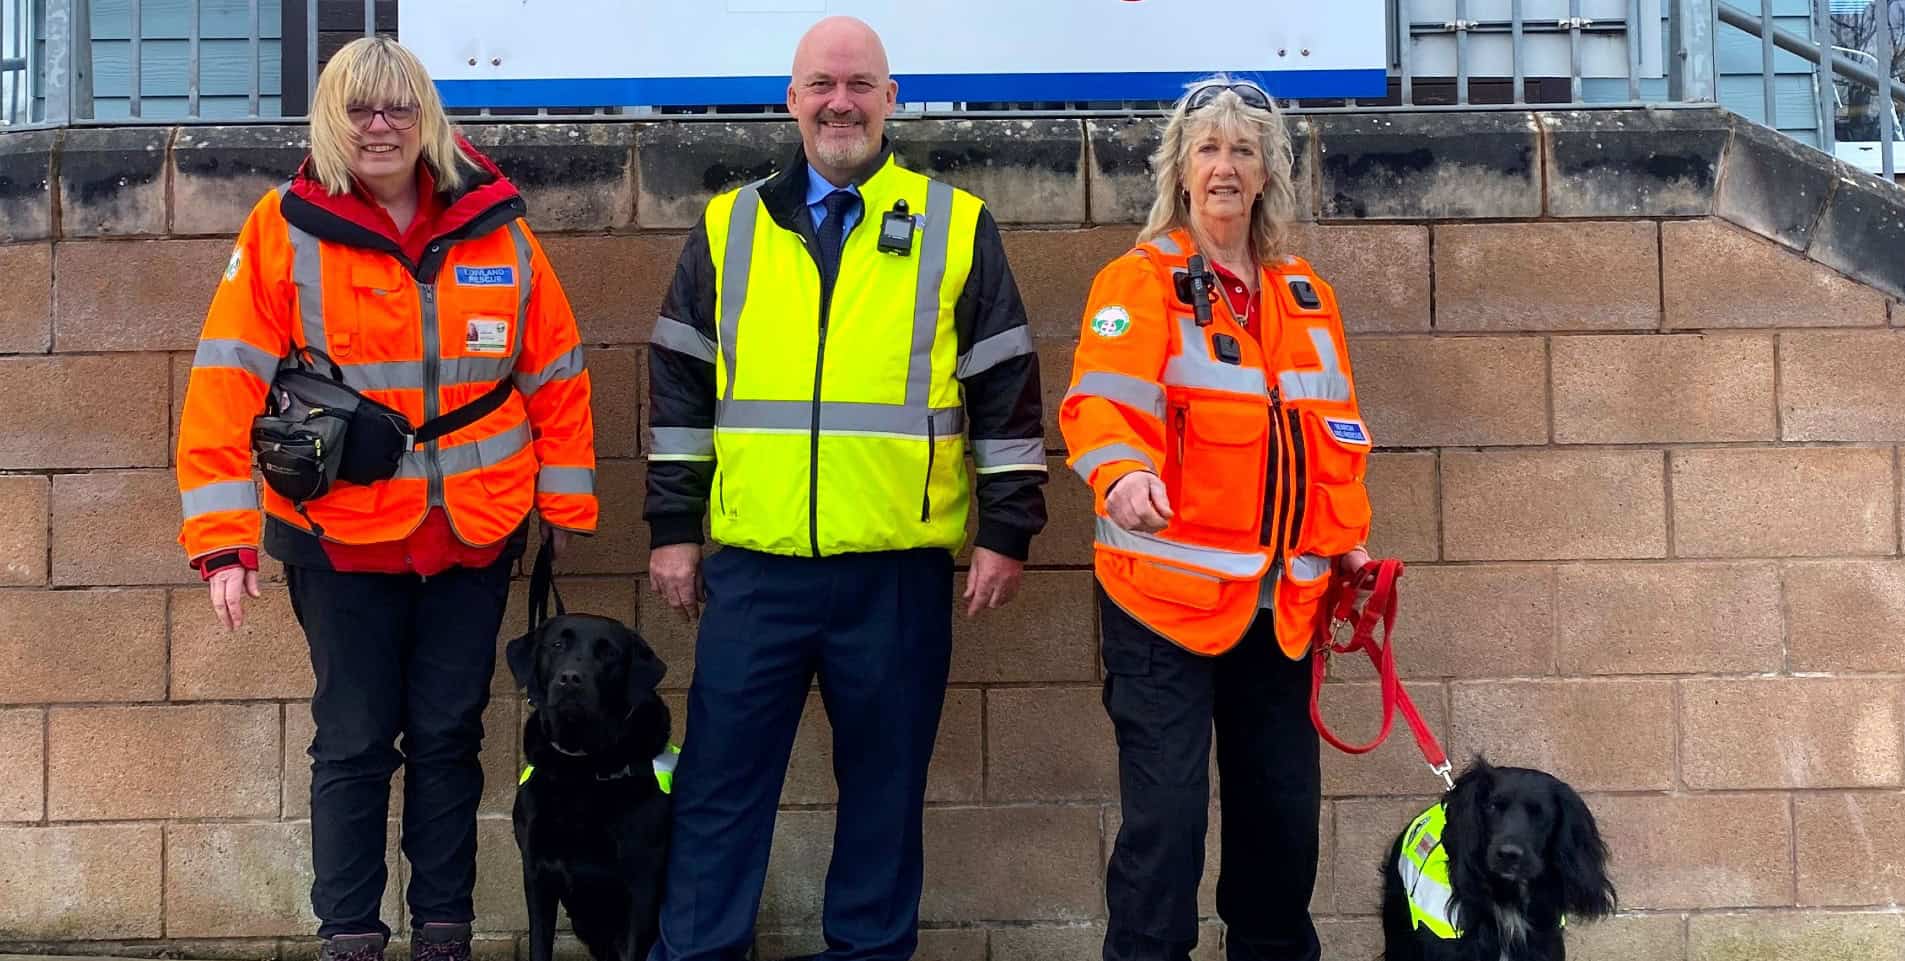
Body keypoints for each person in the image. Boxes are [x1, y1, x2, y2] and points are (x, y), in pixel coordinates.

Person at [174, 36, 597, 961]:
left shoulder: (498, 228)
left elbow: (555, 370)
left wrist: (565, 511)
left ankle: (444, 935)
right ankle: (352, 937)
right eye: (359, 108)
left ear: (427, 118)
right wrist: (222, 541)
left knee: (450, 737)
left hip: (474, 535)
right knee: (356, 741)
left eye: (398, 107)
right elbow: (223, 383)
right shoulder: (282, 228)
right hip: (340, 541)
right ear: (330, 120)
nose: (379, 125)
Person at [642, 15, 1048, 961]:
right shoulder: (726, 225)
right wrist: (672, 526)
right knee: (717, 788)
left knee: (883, 793)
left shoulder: (955, 224)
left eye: (861, 84)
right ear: (790, 100)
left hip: (896, 572)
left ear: (891, 99)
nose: (841, 102)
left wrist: (1008, 528)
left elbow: (1006, 385)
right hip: (754, 567)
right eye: (821, 84)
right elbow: (676, 387)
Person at [1059, 76, 1374, 961]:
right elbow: (1098, 407)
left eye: (1243, 150)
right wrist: (1121, 476)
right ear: (1181, 172)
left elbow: (1331, 440)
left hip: (1283, 614)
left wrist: (1345, 545)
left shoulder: (1306, 296)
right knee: (1164, 831)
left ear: (1268, 173)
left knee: (1282, 831)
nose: (1225, 167)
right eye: (1208, 149)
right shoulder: (1140, 280)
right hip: (1163, 606)